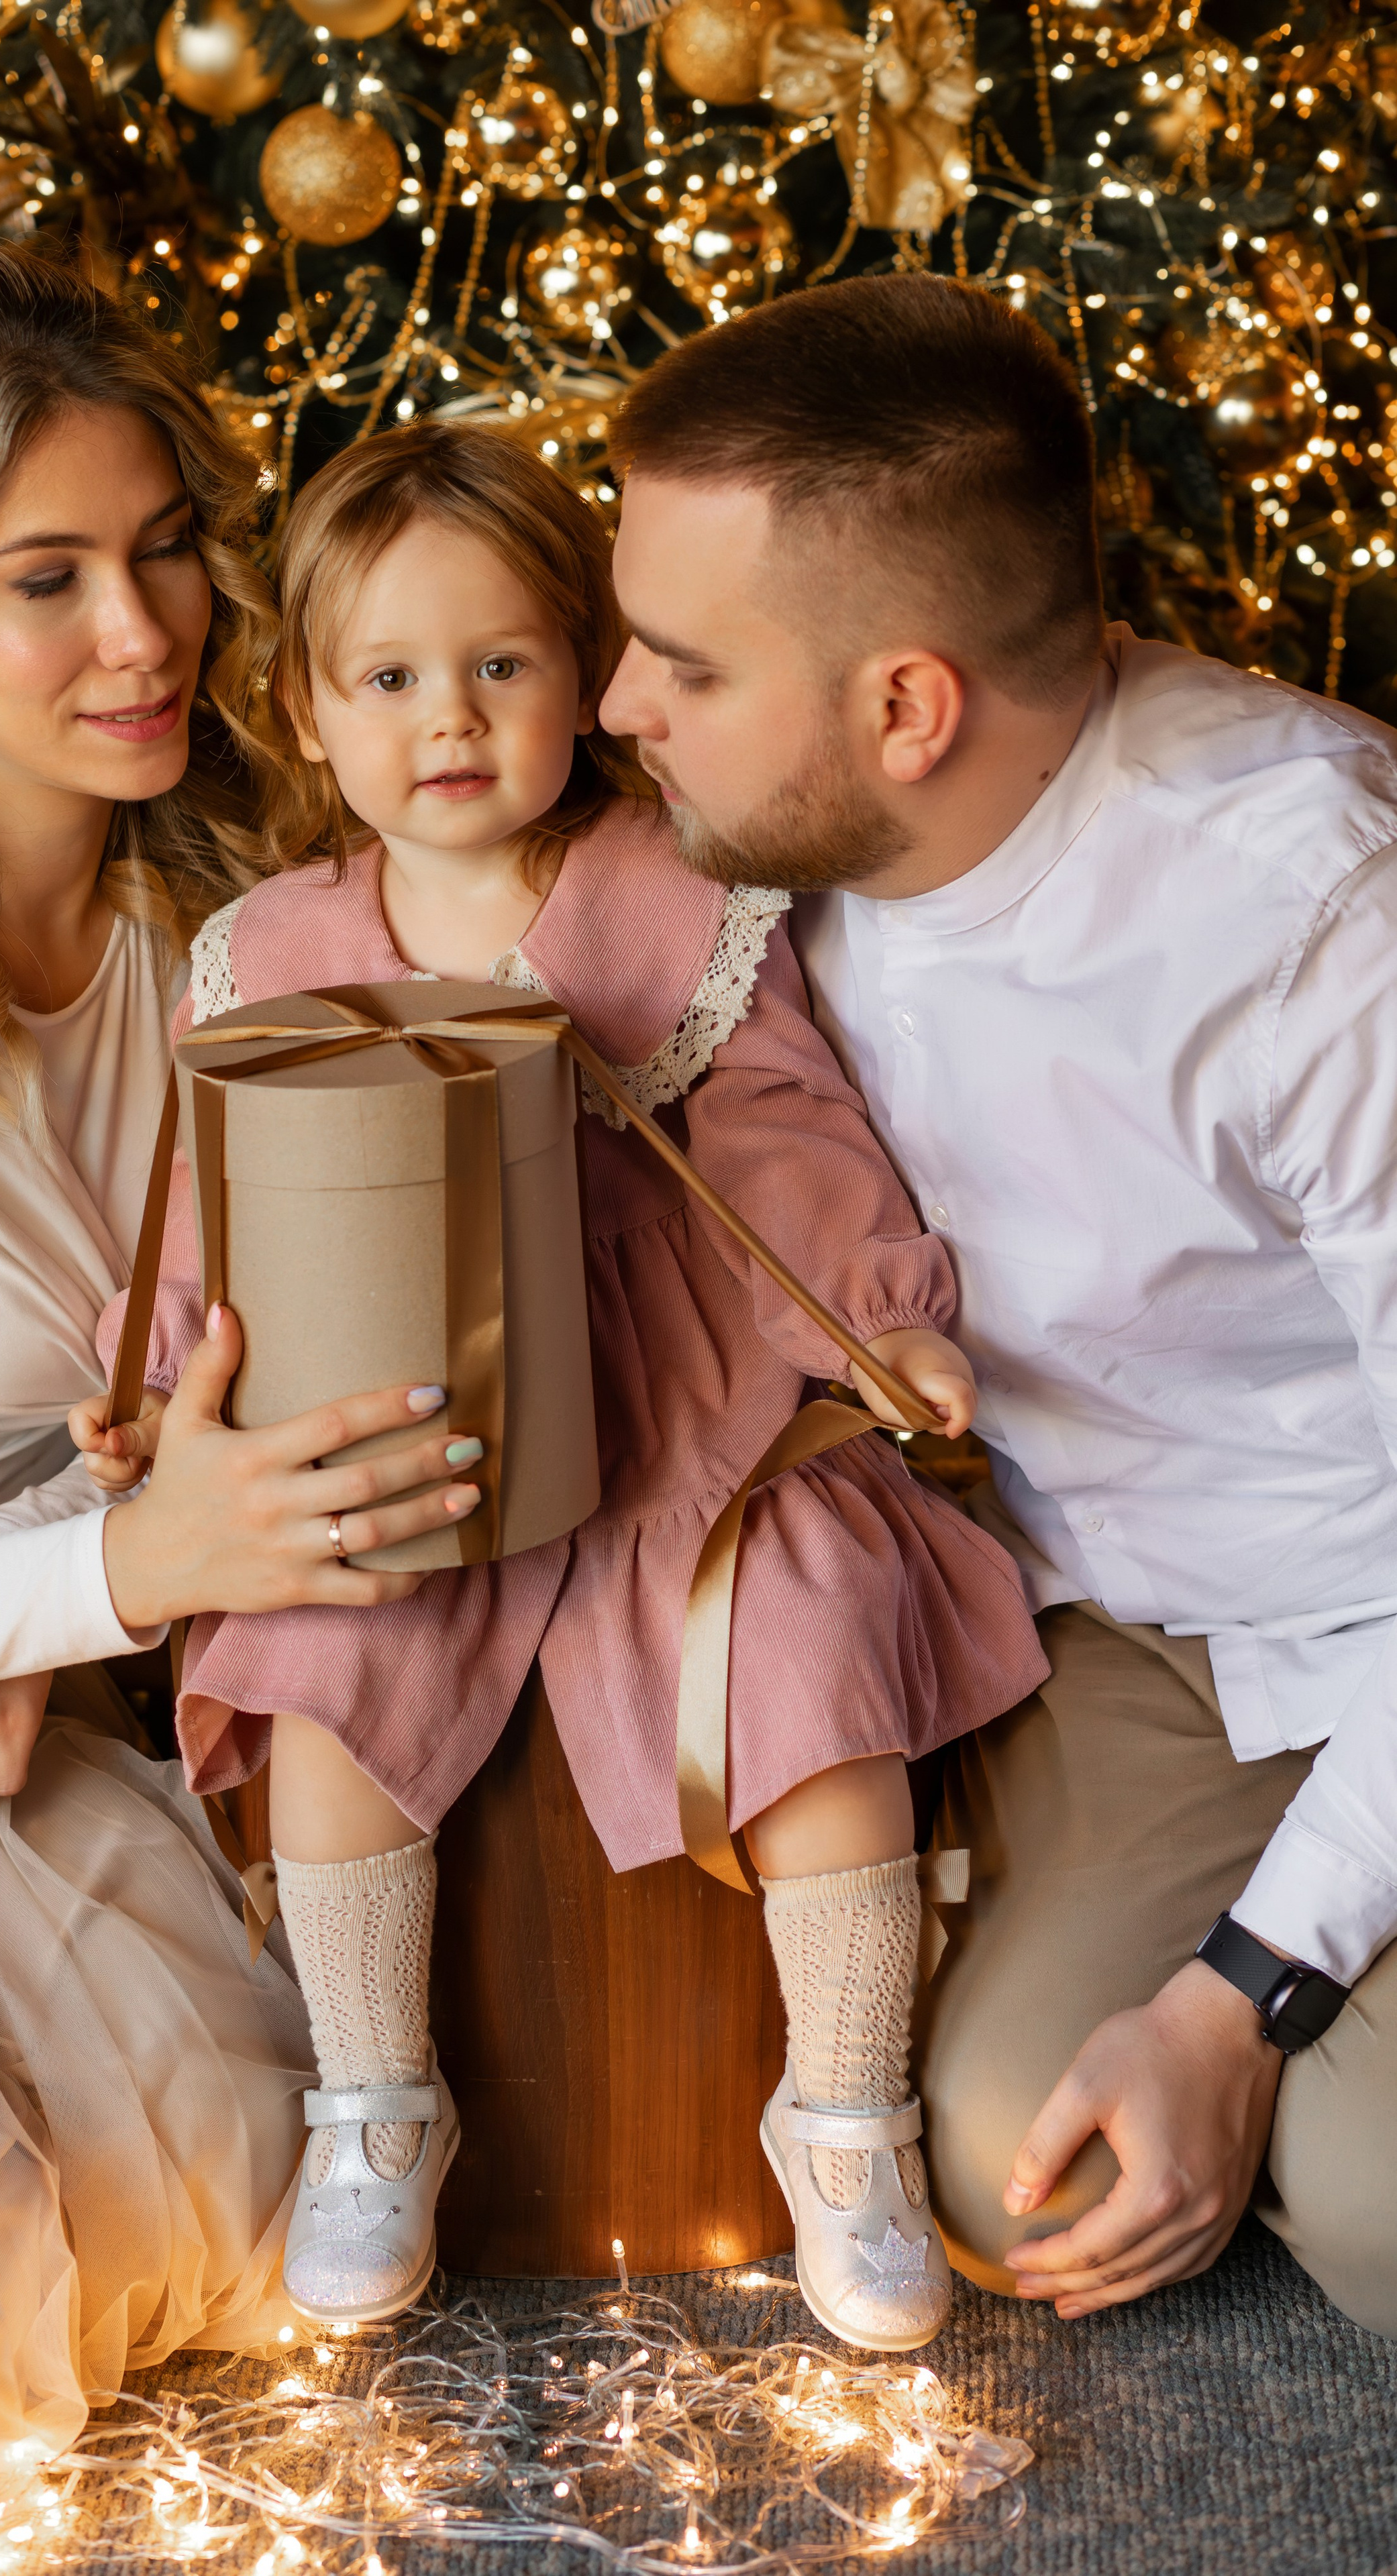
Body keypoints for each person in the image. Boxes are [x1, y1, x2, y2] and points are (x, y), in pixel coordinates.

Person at [83, 420, 1046, 2351]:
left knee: (803, 1639)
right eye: (392, 678)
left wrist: (873, 1316)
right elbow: (219, 1208)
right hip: (403, 1405)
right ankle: (375, 2097)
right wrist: (176, 1388)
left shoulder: (670, 897)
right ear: (312, 707)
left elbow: (781, 1136)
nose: (450, 719)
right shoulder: (273, 949)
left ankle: (845, 2111)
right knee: (331, 1665)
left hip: (673, 1395)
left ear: (585, 679)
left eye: (501, 665)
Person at [0, 237, 484, 2503]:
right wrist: (110, 1571)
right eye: (48, 581)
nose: (144, 638)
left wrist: (56, 1576)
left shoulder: (232, 902)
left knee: (230, 2205)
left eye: (164, 556)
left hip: (31, 1647)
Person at [597, 270, 1397, 2339]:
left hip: (1376, 1594)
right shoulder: (757, 862)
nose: (615, 707)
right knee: (1017, 2160)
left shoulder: (1316, 915)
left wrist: (1247, 1998)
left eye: (680, 661)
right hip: (1133, 1633)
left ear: (907, 708)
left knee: (1375, 2204)